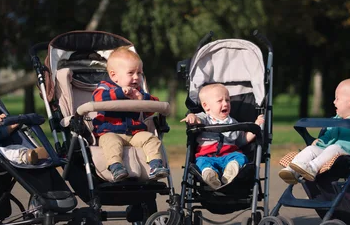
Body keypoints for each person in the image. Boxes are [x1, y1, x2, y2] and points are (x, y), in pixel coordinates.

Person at [278, 77, 350, 184]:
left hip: (347, 153)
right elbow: (329, 135)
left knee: (334, 148)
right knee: (311, 149)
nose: (334, 102)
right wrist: (320, 141)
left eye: (337, 99)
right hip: (327, 150)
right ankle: (292, 170)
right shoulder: (336, 120)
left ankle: (312, 168)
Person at [92, 47, 169, 181]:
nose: (136, 77)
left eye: (139, 73)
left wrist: (142, 99)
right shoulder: (105, 87)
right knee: (111, 143)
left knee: (150, 138)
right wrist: (120, 93)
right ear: (113, 75)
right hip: (110, 131)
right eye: (131, 73)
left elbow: (154, 105)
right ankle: (116, 167)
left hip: (135, 133)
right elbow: (97, 98)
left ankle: (156, 165)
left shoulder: (138, 92)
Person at [181, 83, 265, 190]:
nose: (225, 104)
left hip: (228, 156)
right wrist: (191, 117)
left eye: (228, 100)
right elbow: (197, 119)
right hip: (207, 156)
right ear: (206, 106)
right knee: (201, 162)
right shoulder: (205, 118)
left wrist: (256, 126)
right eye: (220, 101)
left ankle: (230, 172)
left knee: (241, 157)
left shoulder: (233, 122)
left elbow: (242, 140)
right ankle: (211, 175)